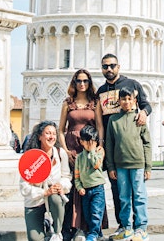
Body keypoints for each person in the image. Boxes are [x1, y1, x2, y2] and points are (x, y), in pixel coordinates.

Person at [96, 53, 151, 231]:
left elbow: (146, 104)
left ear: (118, 67)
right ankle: (123, 225)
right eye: (105, 66)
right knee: (118, 189)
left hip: (132, 143)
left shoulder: (132, 84)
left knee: (137, 190)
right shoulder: (101, 91)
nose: (109, 69)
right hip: (111, 144)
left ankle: (139, 225)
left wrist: (144, 113)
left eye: (112, 65)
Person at [58, 68, 106, 240]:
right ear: (74, 82)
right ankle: (71, 227)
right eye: (79, 81)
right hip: (71, 148)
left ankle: (91, 228)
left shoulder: (95, 102)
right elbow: (61, 130)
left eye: (85, 81)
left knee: (91, 185)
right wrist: (65, 150)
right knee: (73, 187)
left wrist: (100, 145)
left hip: (89, 147)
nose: (82, 84)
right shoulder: (67, 103)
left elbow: (99, 126)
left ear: (90, 82)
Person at [104, 89, 151, 241]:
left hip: (138, 164)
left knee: (139, 196)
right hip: (120, 165)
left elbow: (147, 143)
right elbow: (109, 144)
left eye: (129, 99)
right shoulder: (114, 120)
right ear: (119, 102)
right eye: (123, 99)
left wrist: (148, 167)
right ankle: (126, 227)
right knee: (123, 197)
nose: (126, 102)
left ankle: (141, 228)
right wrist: (110, 167)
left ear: (134, 101)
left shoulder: (139, 118)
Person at [20, 121, 71, 241]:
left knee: (56, 198)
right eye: (48, 133)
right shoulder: (30, 157)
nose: (51, 137)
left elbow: (67, 177)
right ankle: (46, 226)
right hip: (35, 201)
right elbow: (24, 188)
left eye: (54, 133)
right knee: (35, 238)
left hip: (53, 198)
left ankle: (57, 232)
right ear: (39, 136)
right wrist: (44, 192)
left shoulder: (60, 153)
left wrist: (61, 185)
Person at [74, 125, 106, 241]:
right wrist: (79, 187)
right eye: (87, 142)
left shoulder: (99, 152)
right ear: (82, 142)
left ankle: (93, 234)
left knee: (96, 212)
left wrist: (92, 150)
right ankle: (97, 234)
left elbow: (96, 165)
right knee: (87, 213)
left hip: (98, 188)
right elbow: (76, 176)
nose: (90, 144)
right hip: (85, 189)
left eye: (92, 142)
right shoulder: (79, 157)